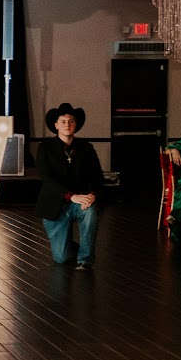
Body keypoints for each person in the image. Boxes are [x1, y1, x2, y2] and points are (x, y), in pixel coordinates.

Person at [35, 102, 103, 270]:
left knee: (90, 211)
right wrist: (70, 196)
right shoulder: (45, 148)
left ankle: (85, 260)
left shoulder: (86, 148)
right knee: (62, 257)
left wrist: (92, 195)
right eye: (63, 121)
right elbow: (47, 179)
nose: (67, 125)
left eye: (71, 121)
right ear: (56, 125)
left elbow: (97, 176)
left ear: (76, 124)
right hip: (55, 206)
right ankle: (74, 248)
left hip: (80, 202)